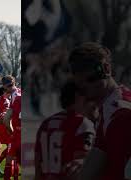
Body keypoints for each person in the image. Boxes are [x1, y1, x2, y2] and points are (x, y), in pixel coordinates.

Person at [68, 42, 131, 180]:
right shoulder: (107, 110)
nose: (84, 87)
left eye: (89, 79)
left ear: (106, 69)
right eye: (79, 83)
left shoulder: (119, 113)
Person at [34, 80, 96, 180]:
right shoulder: (82, 124)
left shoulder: (46, 123)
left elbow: (37, 163)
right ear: (78, 97)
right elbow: (79, 167)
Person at [0, 75, 21, 180]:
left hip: (18, 132)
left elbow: (6, 119)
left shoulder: (14, 96)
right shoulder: (20, 92)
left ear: (5, 87)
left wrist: (11, 131)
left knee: (10, 159)